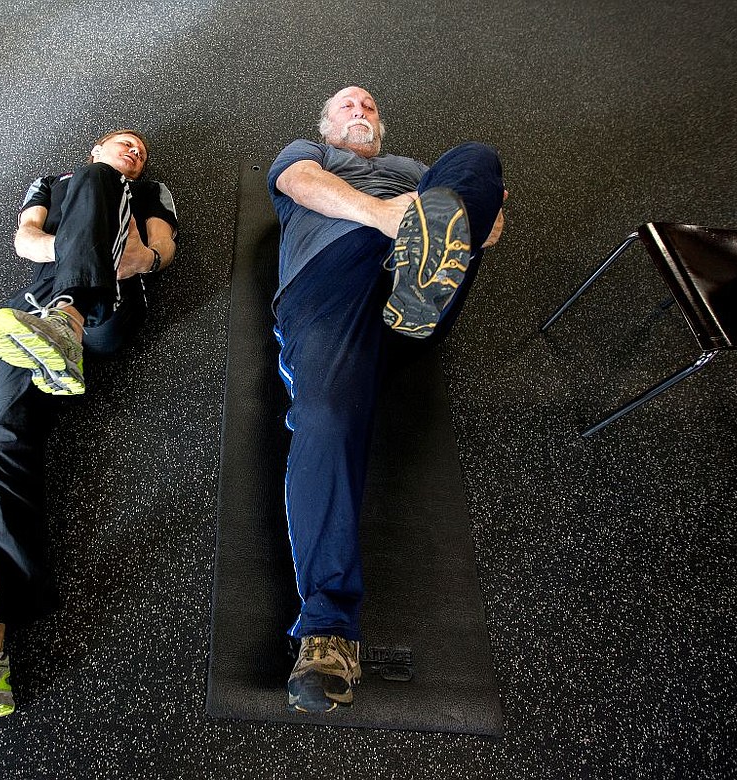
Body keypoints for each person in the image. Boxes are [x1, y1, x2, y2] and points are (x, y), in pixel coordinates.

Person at [0, 130, 179, 721]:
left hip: (109, 308)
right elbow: (26, 242)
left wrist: (94, 256)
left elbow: (158, 253)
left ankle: (69, 323)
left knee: (101, 197)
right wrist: (80, 244)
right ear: (95, 145)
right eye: (122, 145)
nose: (133, 153)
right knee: (1, 448)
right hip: (29, 320)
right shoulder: (53, 181)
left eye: (139, 151)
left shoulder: (144, 191)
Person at [269, 86, 506, 713]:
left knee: (477, 157)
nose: (360, 110)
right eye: (347, 106)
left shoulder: (414, 172)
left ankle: (421, 279)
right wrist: (389, 217)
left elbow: (494, 225)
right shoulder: (310, 155)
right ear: (324, 124)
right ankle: (327, 629)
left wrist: (464, 211)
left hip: (420, 281)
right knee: (324, 416)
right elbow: (298, 184)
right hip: (333, 277)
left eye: (370, 106)